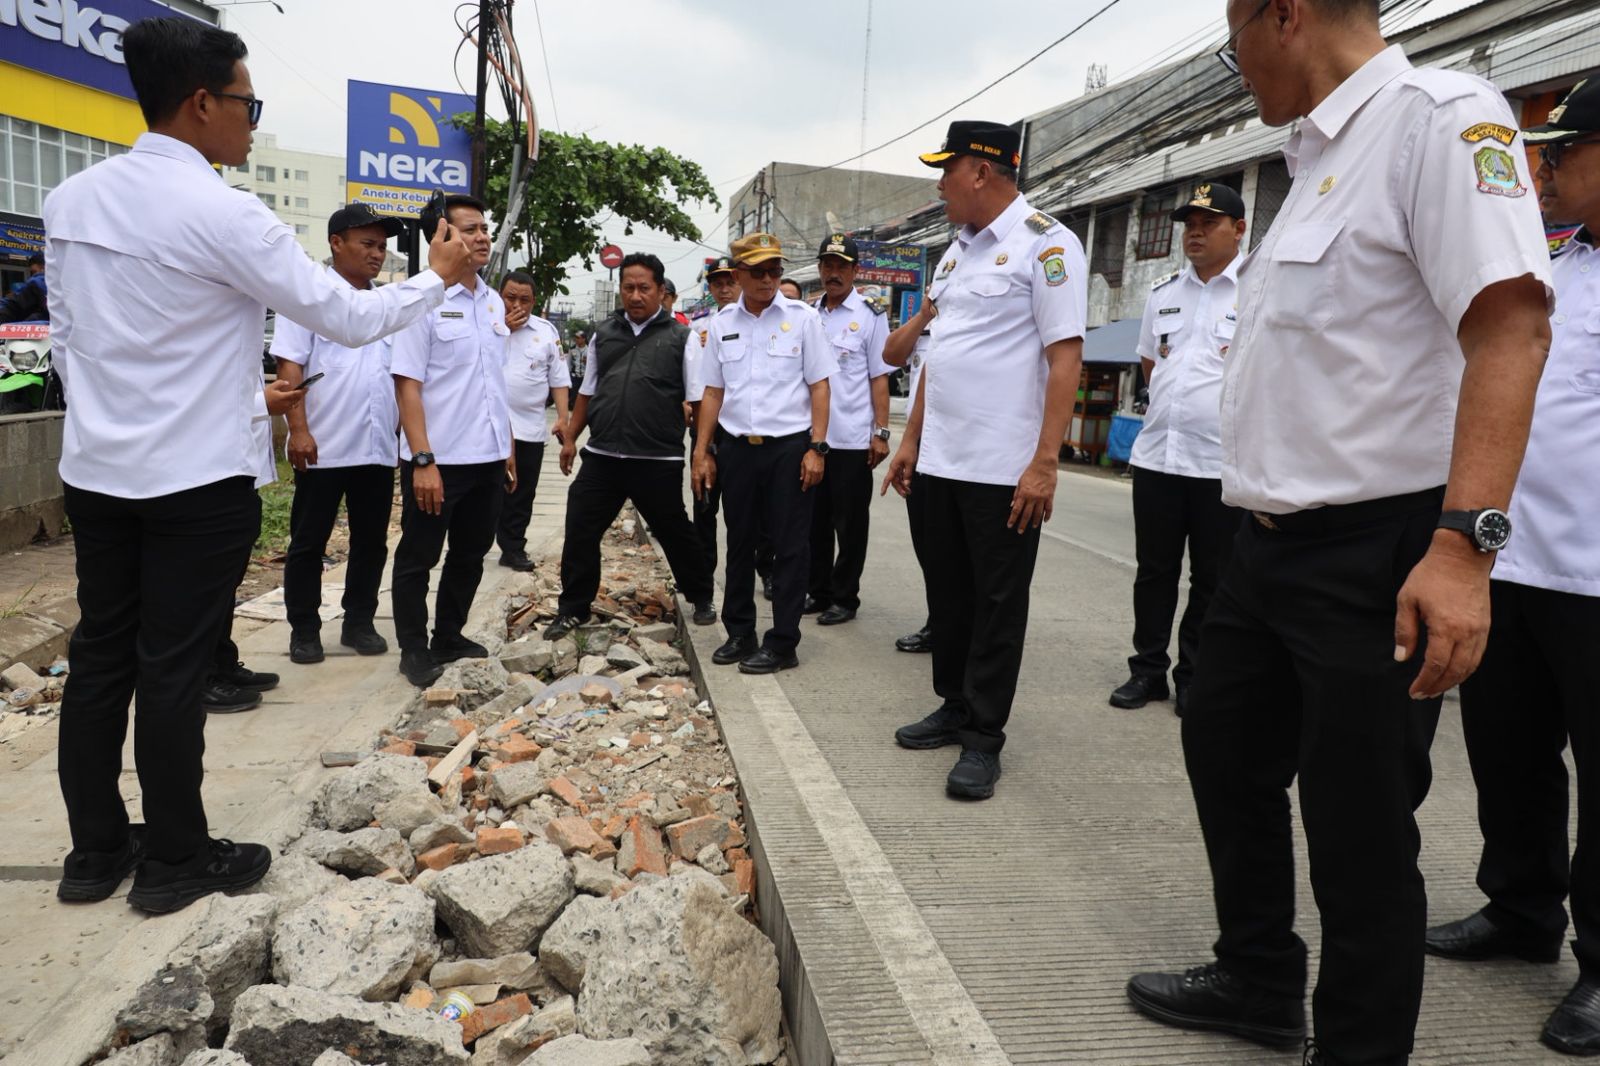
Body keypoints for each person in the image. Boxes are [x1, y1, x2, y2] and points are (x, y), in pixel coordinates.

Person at [1124, 1, 1555, 1062]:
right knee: (1222, 748)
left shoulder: (1440, 119)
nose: (1234, 68)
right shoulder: (1314, 158)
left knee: (1360, 831)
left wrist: (1463, 548)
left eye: (1235, 41)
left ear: (1284, 14)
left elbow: (1511, 325)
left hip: (1382, 548)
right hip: (1264, 547)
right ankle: (1259, 973)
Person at [43, 15, 472, 915]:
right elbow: (345, 315)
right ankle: (174, 861)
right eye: (247, 102)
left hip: (98, 473)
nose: (250, 120)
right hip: (194, 481)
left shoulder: (72, 202)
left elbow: (70, 344)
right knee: (173, 667)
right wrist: (434, 274)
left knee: (100, 661)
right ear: (200, 103)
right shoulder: (221, 210)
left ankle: (93, 854)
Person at [1423, 78, 1600, 1056]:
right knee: (1511, 756)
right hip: (1513, 562)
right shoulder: (1550, 273)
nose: (1547, 166)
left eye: (1566, 149)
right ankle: (1519, 907)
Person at [881, 120, 1086, 801]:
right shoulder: (954, 255)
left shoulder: (1048, 246)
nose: (939, 185)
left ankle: (984, 739)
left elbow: (1065, 360)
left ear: (981, 172)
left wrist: (1046, 463)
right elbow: (936, 355)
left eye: (947, 170)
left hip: (1003, 469)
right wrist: (911, 441)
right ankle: (954, 704)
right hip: (940, 460)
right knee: (949, 595)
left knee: (997, 605)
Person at [1109, 181, 1246, 717]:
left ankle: (1195, 674)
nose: (1195, 231)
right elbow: (1151, 365)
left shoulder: (1257, 291)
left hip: (1219, 464)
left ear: (1238, 229)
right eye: (1189, 223)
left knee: (1212, 578)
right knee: (1154, 571)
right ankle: (1147, 671)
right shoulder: (1164, 293)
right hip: (1158, 459)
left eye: (1208, 222)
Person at [542, 253, 716, 640]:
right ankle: (573, 608)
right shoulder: (605, 333)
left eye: (644, 288)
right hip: (603, 455)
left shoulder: (682, 338)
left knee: (674, 530)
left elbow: (700, 400)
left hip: (657, 457)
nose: (635, 295)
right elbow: (587, 391)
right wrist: (571, 437)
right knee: (581, 527)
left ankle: (701, 594)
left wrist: (700, 453)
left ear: (661, 291)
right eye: (629, 288)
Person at [270, 202, 408, 666]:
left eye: (381, 247)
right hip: (324, 445)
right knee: (309, 541)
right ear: (336, 243)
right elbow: (290, 366)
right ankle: (304, 630)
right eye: (367, 245)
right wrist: (299, 431)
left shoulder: (382, 304)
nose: (377, 255)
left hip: (376, 447)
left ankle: (359, 622)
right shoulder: (308, 297)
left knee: (371, 540)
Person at [692, 233, 834, 674]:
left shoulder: (803, 318)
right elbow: (712, 391)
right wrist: (702, 451)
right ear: (737, 275)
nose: (769, 279)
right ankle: (740, 632)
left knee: (791, 547)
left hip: (789, 449)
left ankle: (783, 642)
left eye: (775, 270)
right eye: (758, 271)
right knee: (739, 541)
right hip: (736, 449)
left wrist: (817, 447)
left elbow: (820, 385)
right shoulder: (720, 324)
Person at [390, 194, 516, 689]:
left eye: (484, 228)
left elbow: (492, 384)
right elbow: (407, 384)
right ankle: (413, 650)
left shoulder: (490, 300)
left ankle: (449, 635)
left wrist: (505, 449)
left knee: (470, 552)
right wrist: (422, 459)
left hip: (485, 458)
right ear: (440, 238)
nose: (482, 237)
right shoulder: (421, 300)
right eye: (469, 229)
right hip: (437, 460)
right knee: (419, 556)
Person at [805, 234, 891, 625]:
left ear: (855, 271)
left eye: (842, 266)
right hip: (811, 439)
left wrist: (881, 431)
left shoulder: (871, 315)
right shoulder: (808, 314)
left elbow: (879, 377)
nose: (833, 273)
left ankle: (845, 598)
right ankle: (818, 591)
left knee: (850, 525)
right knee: (813, 522)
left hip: (853, 440)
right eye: (827, 265)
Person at [496, 270, 571, 572]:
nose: (517, 305)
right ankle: (474, 544)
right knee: (488, 492)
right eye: (510, 297)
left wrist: (563, 418)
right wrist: (501, 330)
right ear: (499, 296)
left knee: (522, 492)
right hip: (489, 426)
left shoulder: (546, 331)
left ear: (534, 301)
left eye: (524, 300)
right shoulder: (486, 327)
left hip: (529, 428)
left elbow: (559, 379)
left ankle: (513, 547)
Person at [880, 296, 937, 653]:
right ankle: (940, 622)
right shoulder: (928, 326)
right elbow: (891, 354)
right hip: (921, 446)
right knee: (931, 545)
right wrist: (924, 313)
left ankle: (965, 625)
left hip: (964, 449)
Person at [685, 256, 740, 581]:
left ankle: (765, 570)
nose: (723, 289)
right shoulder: (699, 326)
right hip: (707, 425)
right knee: (704, 504)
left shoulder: (754, 322)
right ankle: (703, 576)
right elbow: (694, 378)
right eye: (717, 283)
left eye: (729, 282)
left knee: (746, 511)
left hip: (740, 426)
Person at [0, 251, 48, 323]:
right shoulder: (39, 281)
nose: (34, 275)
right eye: (33, 272)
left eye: (35, 271)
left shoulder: (38, 282)